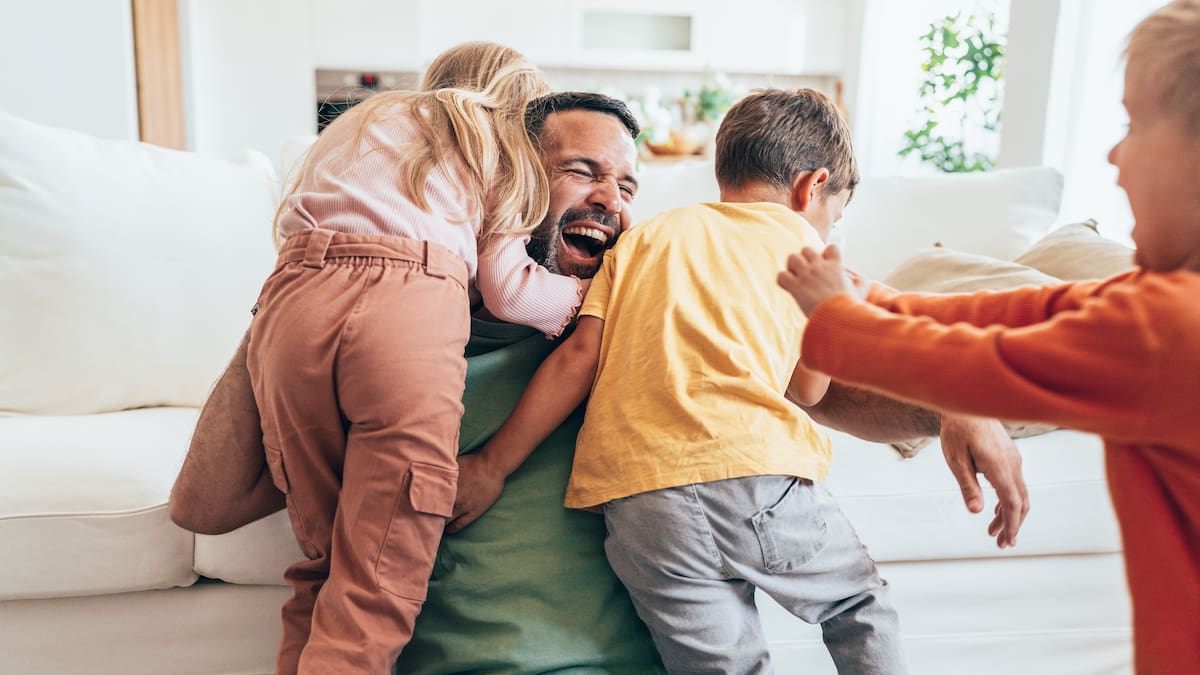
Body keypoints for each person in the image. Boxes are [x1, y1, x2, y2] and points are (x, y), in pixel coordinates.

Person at [170, 90, 1028, 671]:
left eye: (627, 184)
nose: (611, 202)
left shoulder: (639, 312)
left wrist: (958, 403)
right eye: (581, 171)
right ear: (498, 179)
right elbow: (208, 504)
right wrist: (302, 290)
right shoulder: (408, 345)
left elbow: (831, 381)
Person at [775, 3, 1200, 672]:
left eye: (1135, 125)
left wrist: (841, 321)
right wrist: (869, 296)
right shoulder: (1159, 304)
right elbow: (1014, 312)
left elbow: (986, 360)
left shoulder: (1172, 330)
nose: (1113, 154)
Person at [450, 88, 907, 674]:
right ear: (812, 187)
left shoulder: (642, 241)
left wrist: (490, 466)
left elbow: (576, 360)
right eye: (831, 215)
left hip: (640, 507)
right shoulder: (806, 248)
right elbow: (809, 391)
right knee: (859, 606)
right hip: (755, 480)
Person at [243, 41, 589, 674]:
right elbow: (510, 291)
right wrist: (595, 297)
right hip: (406, 303)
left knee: (323, 564)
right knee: (378, 577)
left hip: (289, 305)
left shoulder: (365, 123)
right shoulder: (497, 137)